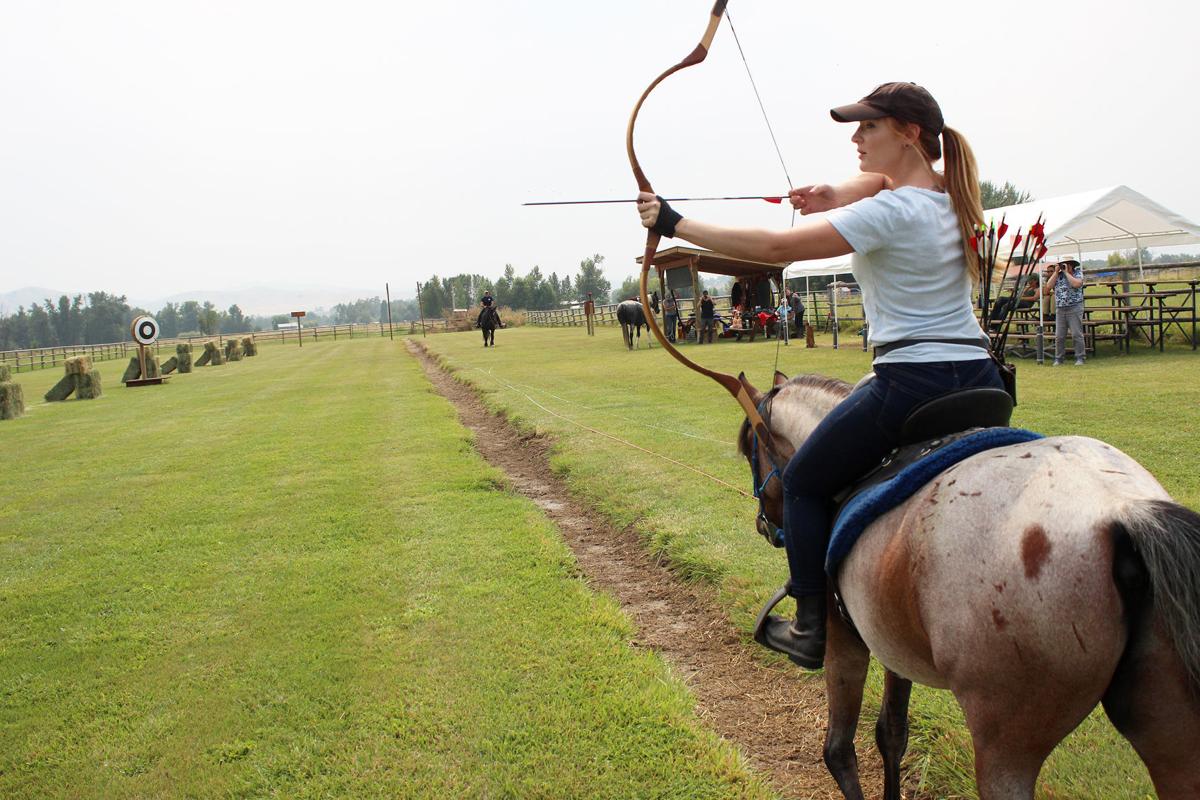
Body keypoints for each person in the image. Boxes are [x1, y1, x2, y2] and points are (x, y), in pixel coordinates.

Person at [636, 81, 1002, 669]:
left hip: (912, 384)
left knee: (802, 481)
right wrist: (832, 192)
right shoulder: (952, 197)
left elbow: (774, 250)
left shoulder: (889, 210)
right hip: (983, 381)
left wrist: (677, 223)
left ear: (907, 134)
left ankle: (812, 626)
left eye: (869, 128)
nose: (856, 139)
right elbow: (879, 179)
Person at [1044, 257, 1086, 365]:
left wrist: (1067, 273)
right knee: (1059, 335)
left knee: (1076, 334)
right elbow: (1048, 286)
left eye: (1066, 264)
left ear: (1071, 265)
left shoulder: (1077, 273)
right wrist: (1056, 272)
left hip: (1075, 307)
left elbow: (1076, 284)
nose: (1064, 266)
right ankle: (1059, 358)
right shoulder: (1058, 275)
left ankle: (1080, 357)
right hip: (1060, 308)